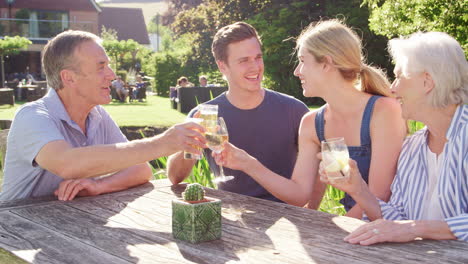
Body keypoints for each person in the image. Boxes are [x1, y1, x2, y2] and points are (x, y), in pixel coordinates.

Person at [212, 19, 406, 217]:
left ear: (326, 64)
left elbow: (379, 195)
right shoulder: (312, 123)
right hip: (356, 234)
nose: (297, 71)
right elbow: (299, 194)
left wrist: (336, 237)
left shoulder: (384, 111)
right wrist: (248, 163)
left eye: (303, 61)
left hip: (392, 232)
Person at [0, 30, 205, 202]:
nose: (112, 75)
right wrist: (164, 143)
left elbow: (141, 169)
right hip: (15, 236)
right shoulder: (32, 116)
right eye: (101, 67)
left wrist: (99, 185)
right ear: (68, 77)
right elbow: (68, 164)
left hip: (64, 229)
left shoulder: (97, 115)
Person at [320, 32, 468, 244]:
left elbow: (408, 228)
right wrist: (359, 189)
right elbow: (398, 221)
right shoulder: (412, 147)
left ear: (427, 82)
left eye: (399, 76)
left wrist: (416, 228)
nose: (392, 88)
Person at [167, 22, 310, 202]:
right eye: (243, 61)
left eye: (258, 57)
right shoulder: (206, 115)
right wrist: (191, 143)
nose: (255, 67)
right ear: (223, 67)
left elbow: (315, 179)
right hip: (232, 220)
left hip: (288, 218)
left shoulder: (294, 110)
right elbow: (175, 177)